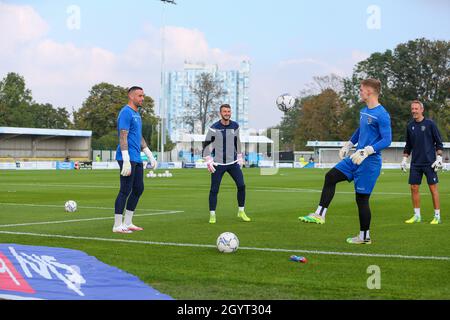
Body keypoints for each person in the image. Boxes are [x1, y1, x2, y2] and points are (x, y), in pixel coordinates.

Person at [298, 79, 392, 244]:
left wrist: (368, 150)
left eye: (362, 89)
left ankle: (364, 237)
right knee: (331, 177)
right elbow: (360, 130)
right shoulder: (364, 111)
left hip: (369, 162)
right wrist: (349, 143)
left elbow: (387, 140)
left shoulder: (382, 114)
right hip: (355, 157)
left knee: (361, 199)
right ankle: (320, 214)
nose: (360, 91)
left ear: (370, 91)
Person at [113, 86, 157, 234]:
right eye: (140, 96)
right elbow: (123, 136)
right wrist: (126, 159)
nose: (142, 98)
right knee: (125, 190)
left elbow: (138, 137)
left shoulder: (137, 114)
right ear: (131, 97)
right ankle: (117, 225)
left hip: (137, 158)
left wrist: (149, 154)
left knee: (138, 189)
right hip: (127, 157)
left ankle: (128, 222)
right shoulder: (126, 112)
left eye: (143, 95)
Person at [203, 104, 251, 224]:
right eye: (225, 111)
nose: (227, 113)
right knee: (214, 190)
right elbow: (206, 145)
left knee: (242, 186)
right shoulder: (214, 127)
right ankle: (212, 214)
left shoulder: (235, 125)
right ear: (221, 113)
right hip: (218, 164)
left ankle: (241, 211)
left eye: (229, 111)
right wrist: (208, 160)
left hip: (233, 163)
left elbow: (237, 141)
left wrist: (240, 156)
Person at [402, 100, 443, 225]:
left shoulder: (430, 124)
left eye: (416, 109)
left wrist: (439, 158)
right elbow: (408, 145)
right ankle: (417, 215)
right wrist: (404, 159)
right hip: (415, 163)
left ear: (421, 110)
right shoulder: (410, 126)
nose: (414, 111)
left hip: (430, 163)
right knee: (414, 188)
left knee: (433, 188)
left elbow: (439, 142)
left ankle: (437, 216)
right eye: (412, 109)